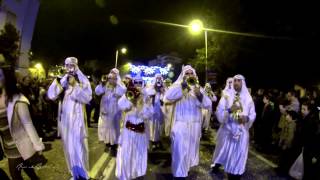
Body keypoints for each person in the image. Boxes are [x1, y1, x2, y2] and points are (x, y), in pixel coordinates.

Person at [47, 57, 92, 179]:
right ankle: (74, 174)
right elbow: (51, 95)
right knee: (69, 149)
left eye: (71, 65)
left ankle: (84, 175)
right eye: (66, 65)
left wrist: (75, 85)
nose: (68, 68)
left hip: (77, 121)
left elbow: (87, 98)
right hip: (65, 121)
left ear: (76, 66)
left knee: (79, 148)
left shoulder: (83, 80)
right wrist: (61, 81)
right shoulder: (63, 79)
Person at [164, 65, 211, 179]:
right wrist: (182, 86)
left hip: (194, 127)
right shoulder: (177, 86)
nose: (189, 76)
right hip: (180, 125)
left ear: (195, 76)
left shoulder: (198, 89)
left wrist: (199, 94)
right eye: (187, 73)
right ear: (183, 76)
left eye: (191, 74)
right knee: (179, 153)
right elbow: (168, 97)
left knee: (189, 155)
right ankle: (179, 176)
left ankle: (184, 172)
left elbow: (207, 104)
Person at [0, 65, 45, 180]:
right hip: (7, 146)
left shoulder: (18, 99)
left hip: (19, 145)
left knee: (15, 175)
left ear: (6, 79)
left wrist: (38, 146)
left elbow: (28, 124)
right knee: (29, 171)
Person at [211, 74, 256, 180]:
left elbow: (253, 114)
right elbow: (219, 113)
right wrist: (230, 110)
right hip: (229, 133)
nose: (236, 82)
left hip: (242, 133)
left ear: (242, 83)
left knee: (239, 160)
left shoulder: (248, 98)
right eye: (234, 80)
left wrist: (247, 119)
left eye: (238, 81)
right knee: (230, 161)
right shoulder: (226, 97)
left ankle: (237, 176)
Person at [115, 78, 154, 180]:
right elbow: (120, 105)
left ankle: (137, 174)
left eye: (140, 83)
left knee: (139, 155)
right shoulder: (128, 93)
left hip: (140, 132)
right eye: (135, 82)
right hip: (128, 131)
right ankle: (126, 175)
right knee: (126, 154)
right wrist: (131, 101)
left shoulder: (146, 97)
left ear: (143, 84)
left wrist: (141, 106)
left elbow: (150, 114)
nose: (137, 85)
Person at [95, 68, 126, 156]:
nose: (112, 77)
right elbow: (97, 92)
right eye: (111, 74)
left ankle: (114, 146)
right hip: (105, 110)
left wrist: (116, 84)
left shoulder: (120, 84)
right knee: (105, 128)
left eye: (114, 75)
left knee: (114, 129)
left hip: (115, 110)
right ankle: (107, 144)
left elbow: (121, 92)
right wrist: (102, 83)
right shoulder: (106, 84)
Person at [210, 77, 234, 172]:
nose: (231, 85)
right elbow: (219, 112)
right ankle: (217, 163)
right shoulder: (225, 97)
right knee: (222, 146)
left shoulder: (241, 96)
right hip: (226, 127)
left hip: (236, 129)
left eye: (233, 82)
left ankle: (232, 167)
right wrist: (228, 111)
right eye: (229, 82)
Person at [149, 73, 165, 150]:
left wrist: (163, 90)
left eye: (160, 78)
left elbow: (166, 97)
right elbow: (149, 94)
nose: (158, 80)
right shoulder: (151, 86)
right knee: (152, 125)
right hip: (153, 110)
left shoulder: (163, 87)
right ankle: (153, 141)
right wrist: (154, 89)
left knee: (159, 126)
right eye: (157, 78)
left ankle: (158, 140)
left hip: (160, 110)